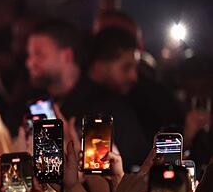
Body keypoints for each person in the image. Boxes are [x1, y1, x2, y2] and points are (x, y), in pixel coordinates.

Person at [25, 20, 148, 169]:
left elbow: (136, 167)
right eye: (30, 55)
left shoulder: (108, 107)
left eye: (39, 55)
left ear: (66, 56)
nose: (30, 63)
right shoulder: (30, 104)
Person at [87, 27, 184, 140]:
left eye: (135, 68)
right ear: (99, 66)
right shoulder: (88, 109)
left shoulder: (140, 101)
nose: (134, 77)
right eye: (126, 68)